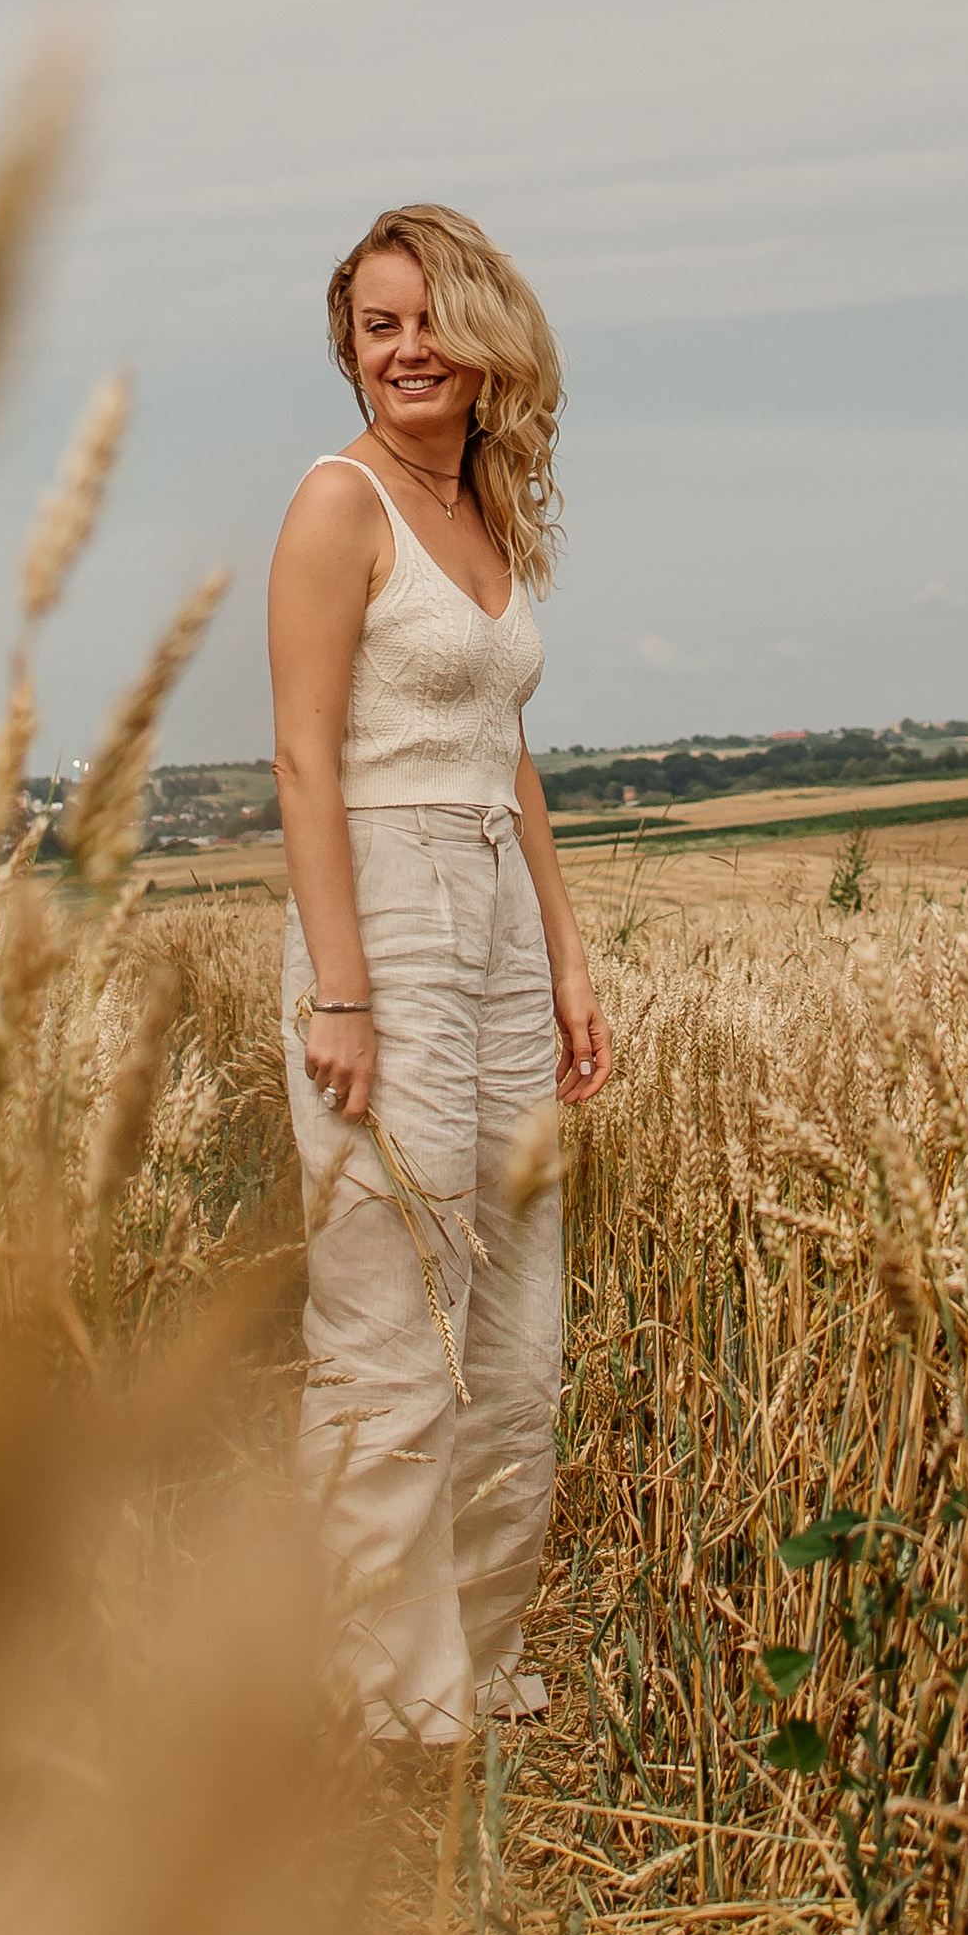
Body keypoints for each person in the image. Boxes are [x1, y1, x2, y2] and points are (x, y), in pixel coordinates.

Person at [267, 202, 614, 1747]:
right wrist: (342, 991)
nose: (404, 351)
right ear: (349, 351)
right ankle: (384, 1699)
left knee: (516, 1325)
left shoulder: (479, 507)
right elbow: (301, 758)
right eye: (376, 328)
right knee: (391, 1315)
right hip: (385, 907)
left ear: (483, 341)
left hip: (497, 913)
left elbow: (503, 749)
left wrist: (566, 953)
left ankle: (478, 1660)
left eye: (428, 323)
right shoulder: (336, 504)